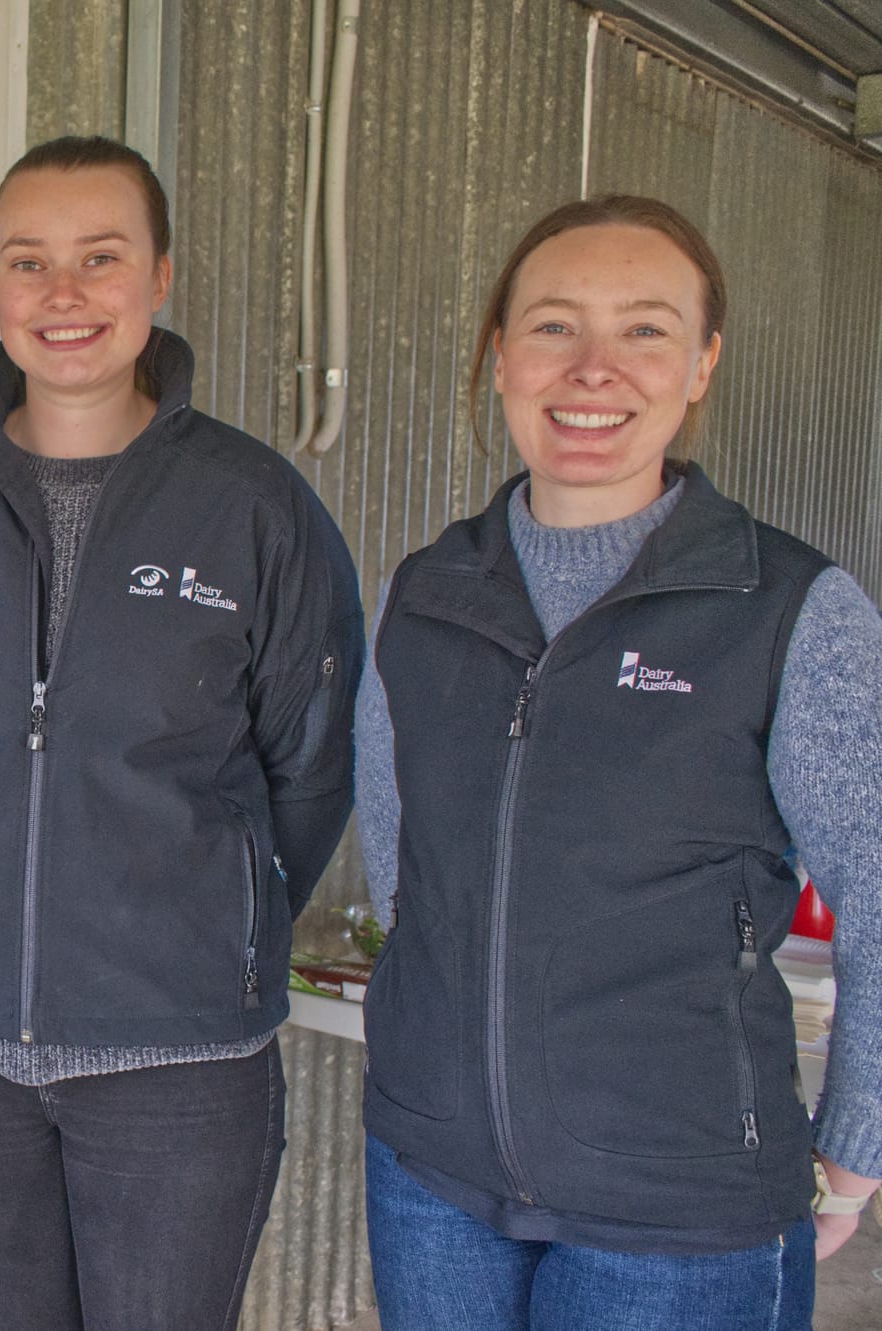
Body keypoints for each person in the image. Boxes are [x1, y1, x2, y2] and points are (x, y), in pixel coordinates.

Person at [0, 136, 363, 1331]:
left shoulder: (253, 504)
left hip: (174, 1056)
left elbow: (310, 763)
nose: (63, 294)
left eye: (100, 257)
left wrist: (200, 914)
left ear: (160, 277)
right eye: (28, 261)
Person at [356, 194, 882, 1330]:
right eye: (552, 326)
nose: (592, 367)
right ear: (499, 354)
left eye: (642, 329)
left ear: (699, 365)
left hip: (674, 1210)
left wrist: (854, 1140)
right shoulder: (422, 596)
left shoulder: (789, 609)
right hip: (433, 1179)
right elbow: (406, 874)